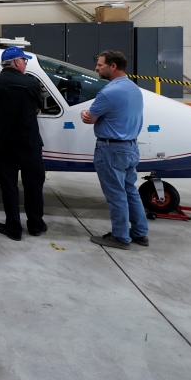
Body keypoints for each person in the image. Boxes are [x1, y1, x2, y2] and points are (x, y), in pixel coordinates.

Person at [0, 46, 46, 241]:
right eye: (24, 60)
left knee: (9, 185)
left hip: (2, 143)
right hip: (29, 143)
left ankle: (14, 229)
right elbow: (38, 108)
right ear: (16, 62)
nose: (26, 64)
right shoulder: (32, 83)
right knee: (33, 184)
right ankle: (36, 225)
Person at [81, 50, 149, 250]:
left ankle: (120, 237)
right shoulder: (134, 88)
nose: (96, 68)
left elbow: (89, 117)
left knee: (115, 194)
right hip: (130, 148)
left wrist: (86, 113)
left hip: (111, 150)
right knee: (130, 191)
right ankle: (140, 233)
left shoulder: (108, 92)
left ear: (112, 66)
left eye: (100, 65)